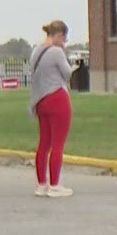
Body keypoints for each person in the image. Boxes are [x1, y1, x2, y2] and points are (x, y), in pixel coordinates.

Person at [25, 20, 74, 198]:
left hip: (41, 100)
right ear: (59, 34)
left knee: (44, 143)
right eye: (64, 38)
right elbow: (68, 73)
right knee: (58, 144)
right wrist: (64, 53)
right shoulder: (56, 51)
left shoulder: (36, 51)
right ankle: (55, 184)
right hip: (57, 97)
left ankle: (42, 184)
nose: (64, 42)